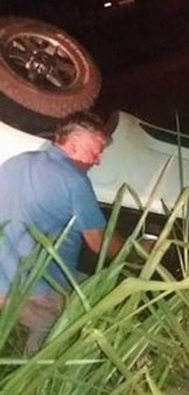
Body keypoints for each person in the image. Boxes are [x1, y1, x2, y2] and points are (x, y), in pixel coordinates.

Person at [0, 111, 124, 353]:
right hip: (36, 290)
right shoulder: (75, 181)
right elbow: (100, 243)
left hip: (1, 277)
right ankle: (36, 381)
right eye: (95, 150)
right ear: (74, 144)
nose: (97, 160)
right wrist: (136, 248)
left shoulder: (16, 162)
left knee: (83, 280)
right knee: (87, 309)